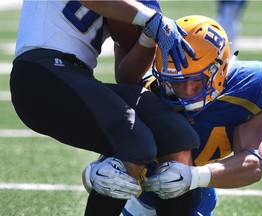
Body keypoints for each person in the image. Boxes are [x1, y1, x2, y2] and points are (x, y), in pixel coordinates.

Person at [9, 1, 198, 215]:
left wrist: (147, 36)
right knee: (135, 142)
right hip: (39, 74)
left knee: (175, 134)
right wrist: (149, 19)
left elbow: (126, 76)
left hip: (73, 76)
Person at [121, 15, 262, 215]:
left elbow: (253, 165)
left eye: (197, 81)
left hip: (198, 192)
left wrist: (194, 177)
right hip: (140, 193)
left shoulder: (249, 85)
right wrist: (94, 174)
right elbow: (112, 157)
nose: (187, 91)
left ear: (219, 69)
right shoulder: (147, 90)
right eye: (177, 81)